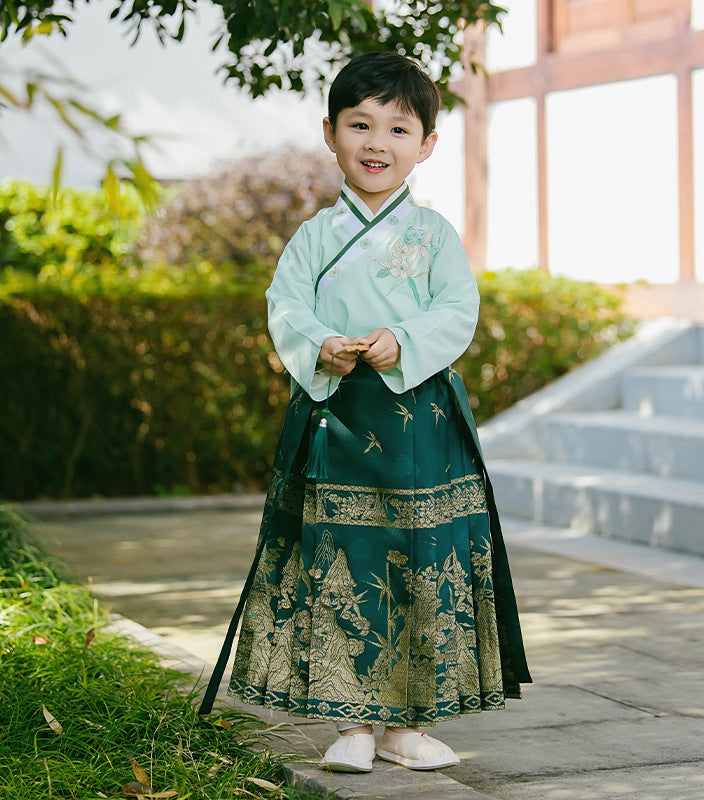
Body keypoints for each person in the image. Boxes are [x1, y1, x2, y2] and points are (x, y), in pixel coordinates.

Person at [200, 50, 531, 773]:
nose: (377, 143)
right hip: (338, 416)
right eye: (360, 124)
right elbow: (285, 306)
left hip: (419, 420)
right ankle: (349, 725)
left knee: (419, 558)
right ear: (330, 133)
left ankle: (408, 725)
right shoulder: (314, 235)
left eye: (398, 128)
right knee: (342, 561)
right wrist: (322, 342)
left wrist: (404, 340)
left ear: (428, 145)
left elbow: (457, 309)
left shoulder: (435, 235)